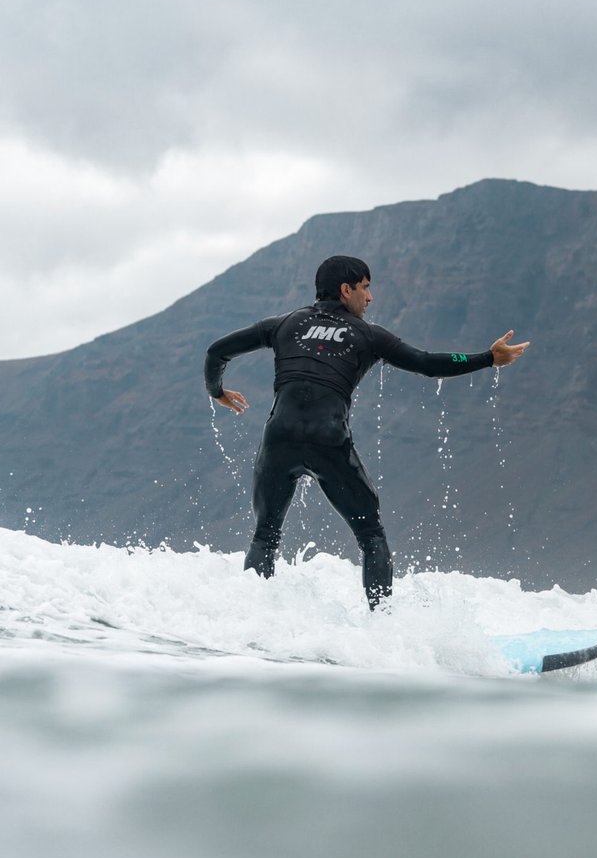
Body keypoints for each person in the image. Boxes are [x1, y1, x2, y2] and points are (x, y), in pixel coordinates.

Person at [204, 255, 530, 609]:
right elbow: (425, 362)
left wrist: (217, 392)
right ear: (346, 290)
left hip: (278, 439)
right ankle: (382, 624)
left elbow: (217, 351)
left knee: (265, 536)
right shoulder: (368, 335)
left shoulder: (283, 324)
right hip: (329, 442)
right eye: (365, 287)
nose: (370, 297)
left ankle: (251, 621)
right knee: (371, 537)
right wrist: (488, 358)